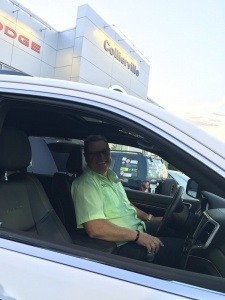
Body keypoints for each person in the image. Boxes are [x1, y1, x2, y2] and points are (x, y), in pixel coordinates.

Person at [71, 135, 184, 268]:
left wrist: (150, 218)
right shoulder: (86, 184)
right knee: (184, 251)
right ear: (86, 157)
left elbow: (125, 203)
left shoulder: (111, 175)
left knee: (179, 229)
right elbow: (95, 229)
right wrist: (137, 236)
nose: (101, 157)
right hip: (122, 244)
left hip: (137, 229)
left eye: (104, 152)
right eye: (94, 154)